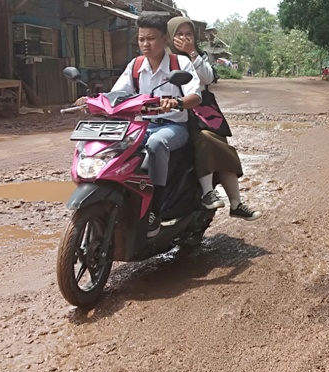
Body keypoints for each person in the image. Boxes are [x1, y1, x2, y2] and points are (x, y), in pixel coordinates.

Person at [80, 13, 203, 235]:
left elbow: (195, 97)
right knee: (111, 145)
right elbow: (116, 94)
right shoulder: (136, 66)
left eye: (151, 39)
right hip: (140, 127)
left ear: (164, 39)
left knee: (156, 144)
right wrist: (91, 101)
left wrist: (175, 102)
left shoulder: (180, 63)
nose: (145, 44)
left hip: (172, 127)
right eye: (141, 39)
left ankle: (154, 210)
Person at [167, 16, 261, 221]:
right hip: (169, 114)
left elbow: (208, 78)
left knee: (216, 143)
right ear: (169, 36)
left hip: (199, 112)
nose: (184, 38)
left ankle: (232, 201)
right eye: (179, 34)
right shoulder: (161, 58)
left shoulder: (198, 56)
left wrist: (193, 53)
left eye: (189, 34)